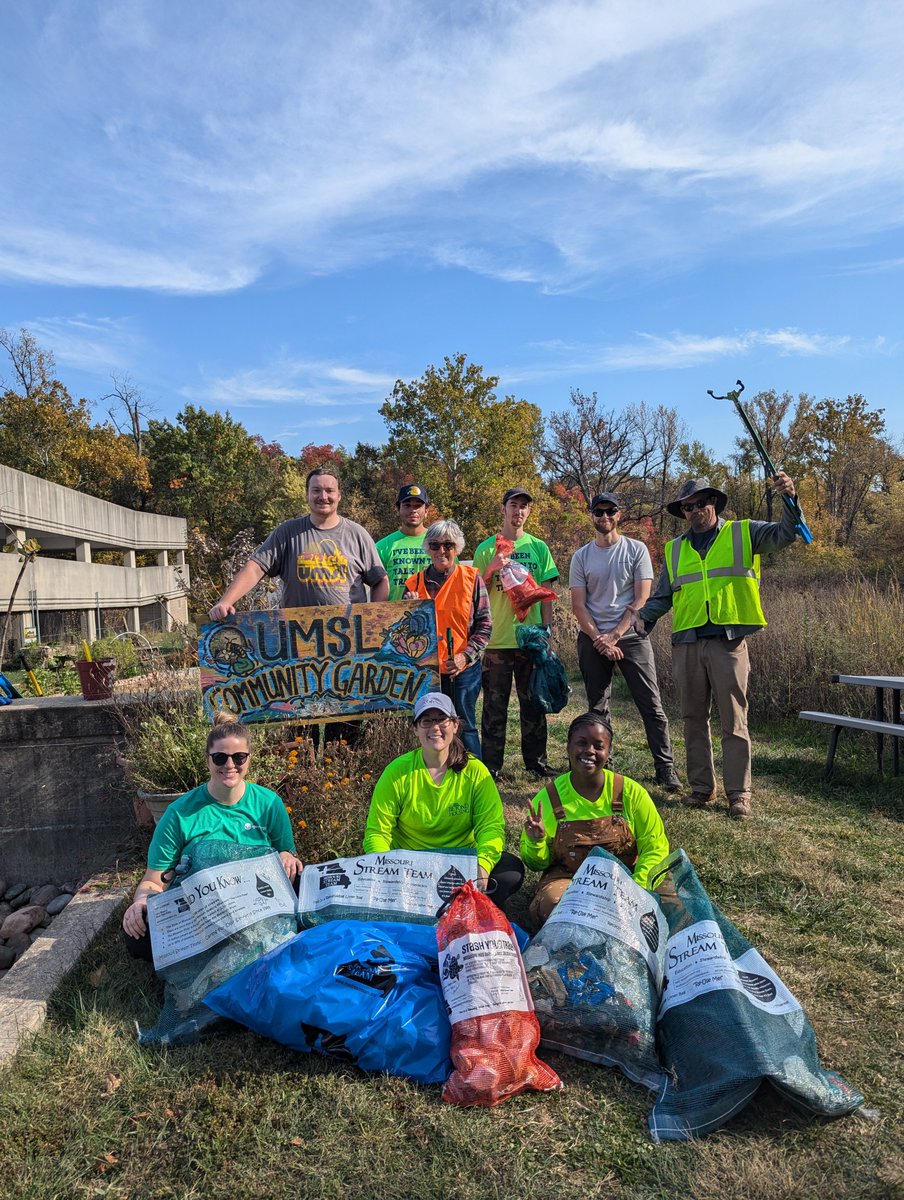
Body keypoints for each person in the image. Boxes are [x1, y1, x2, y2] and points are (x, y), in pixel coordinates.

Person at [635, 473, 804, 820]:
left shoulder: (744, 532)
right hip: (687, 643)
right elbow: (663, 596)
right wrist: (640, 622)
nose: (694, 511)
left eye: (699, 503)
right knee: (693, 718)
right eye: (687, 507)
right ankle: (701, 789)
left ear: (714, 502)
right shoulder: (674, 549)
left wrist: (791, 498)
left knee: (734, 720)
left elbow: (787, 533)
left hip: (729, 642)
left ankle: (739, 794)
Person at [122, 711, 303, 961]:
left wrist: (286, 855)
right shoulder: (179, 813)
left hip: (257, 901)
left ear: (249, 760)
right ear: (207, 760)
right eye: (220, 757)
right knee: (138, 936)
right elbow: (154, 880)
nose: (230, 765)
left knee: (305, 884)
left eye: (239, 757)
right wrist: (142, 902)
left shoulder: (269, 803)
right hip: (203, 908)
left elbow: (288, 853)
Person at [363, 692, 524, 906]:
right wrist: (385, 872)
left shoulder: (476, 771)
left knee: (510, 871)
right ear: (415, 729)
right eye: (426, 720)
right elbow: (377, 832)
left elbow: (491, 827)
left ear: (455, 725)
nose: (435, 727)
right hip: (411, 868)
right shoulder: (396, 772)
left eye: (441, 719)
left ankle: (471, 902)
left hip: (460, 865)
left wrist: (483, 865)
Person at [569, 492, 680, 791]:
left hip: (630, 637)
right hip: (593, 639)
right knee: (597, 707)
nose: (604, 517)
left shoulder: (636, 550)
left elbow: (641, 597)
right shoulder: (581, 556)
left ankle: (665, 768)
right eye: (598, 512)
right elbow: (578, 605)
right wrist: (599, 639)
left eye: (610, 511)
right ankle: (605, 767)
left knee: (651, 705)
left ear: (619, 514)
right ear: (591, 516)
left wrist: (616, 634)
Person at [521, 711, 670, 926]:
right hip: (569, 882)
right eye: (581, 743)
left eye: (598, 746)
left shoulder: (631, 792)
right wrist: (536, 841)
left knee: (676, 904)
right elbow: (536, 864)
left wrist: (636, 891)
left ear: (608, 752)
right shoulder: (547, 799)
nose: (589, 751)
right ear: (568, 748)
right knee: (555, 905)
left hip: (627, 880)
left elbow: (654, 847)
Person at [209, 466, 388, 620]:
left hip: (349, 636)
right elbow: (255, 569)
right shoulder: (287, 532)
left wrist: (373, 617)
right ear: (307, 494)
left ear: (339, 495)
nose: (323, 496)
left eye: (329, 491)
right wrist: (226, 601)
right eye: (316, 490)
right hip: (296, 637)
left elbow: (379, 580)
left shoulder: (357, 534)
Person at [472, 486, 559, 781]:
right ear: (503, 509)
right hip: (497, 640)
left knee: (533, 703)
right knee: (494, 707)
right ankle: (491, 766)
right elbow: (474, 592)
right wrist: (491, 569)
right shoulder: (486, 549)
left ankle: (536, 762)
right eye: (513, 505)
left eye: (524, 506)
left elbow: (547, 592)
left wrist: (546, 632)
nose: (518, 511)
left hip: (530, 638)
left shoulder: (538, 548)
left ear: (529, 512)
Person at [403, 520, 491, 758]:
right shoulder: (413, 584)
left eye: (448, 545)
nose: (442, 550)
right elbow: (404, 634)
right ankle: (435, 772)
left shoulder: (472, 578)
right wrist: (408, 608)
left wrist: (466, 657)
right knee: (428, 726)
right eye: (435, 545)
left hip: (462, 670)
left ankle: (477, 778)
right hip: (426, 672)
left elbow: (485, 626)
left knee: (464, 724)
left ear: (458, 548)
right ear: (427, 548)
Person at [375, 483, 432, 600]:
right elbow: (377, 588)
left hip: (432, 615)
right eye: (407, 505)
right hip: (394, 616)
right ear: (398, 509)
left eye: (418, 505)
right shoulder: (382, 547)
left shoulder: (440, 544)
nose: (413, 510)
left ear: (426, 511)